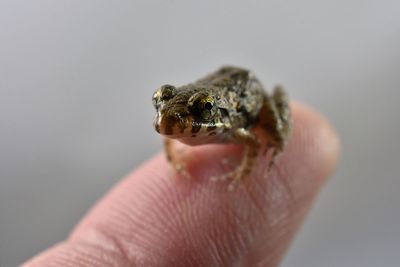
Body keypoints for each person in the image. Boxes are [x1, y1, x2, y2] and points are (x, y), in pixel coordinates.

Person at [22, 103, 340, 267]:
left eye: (197, 110)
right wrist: (174, 153)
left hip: (245, 103)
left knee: (275, 132)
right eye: (161, 104)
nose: (166, 121)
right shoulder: (174, 125)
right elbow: (171, 133)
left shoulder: (229, 125)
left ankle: (275, 133)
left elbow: (250, 141)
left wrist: (244, 170)